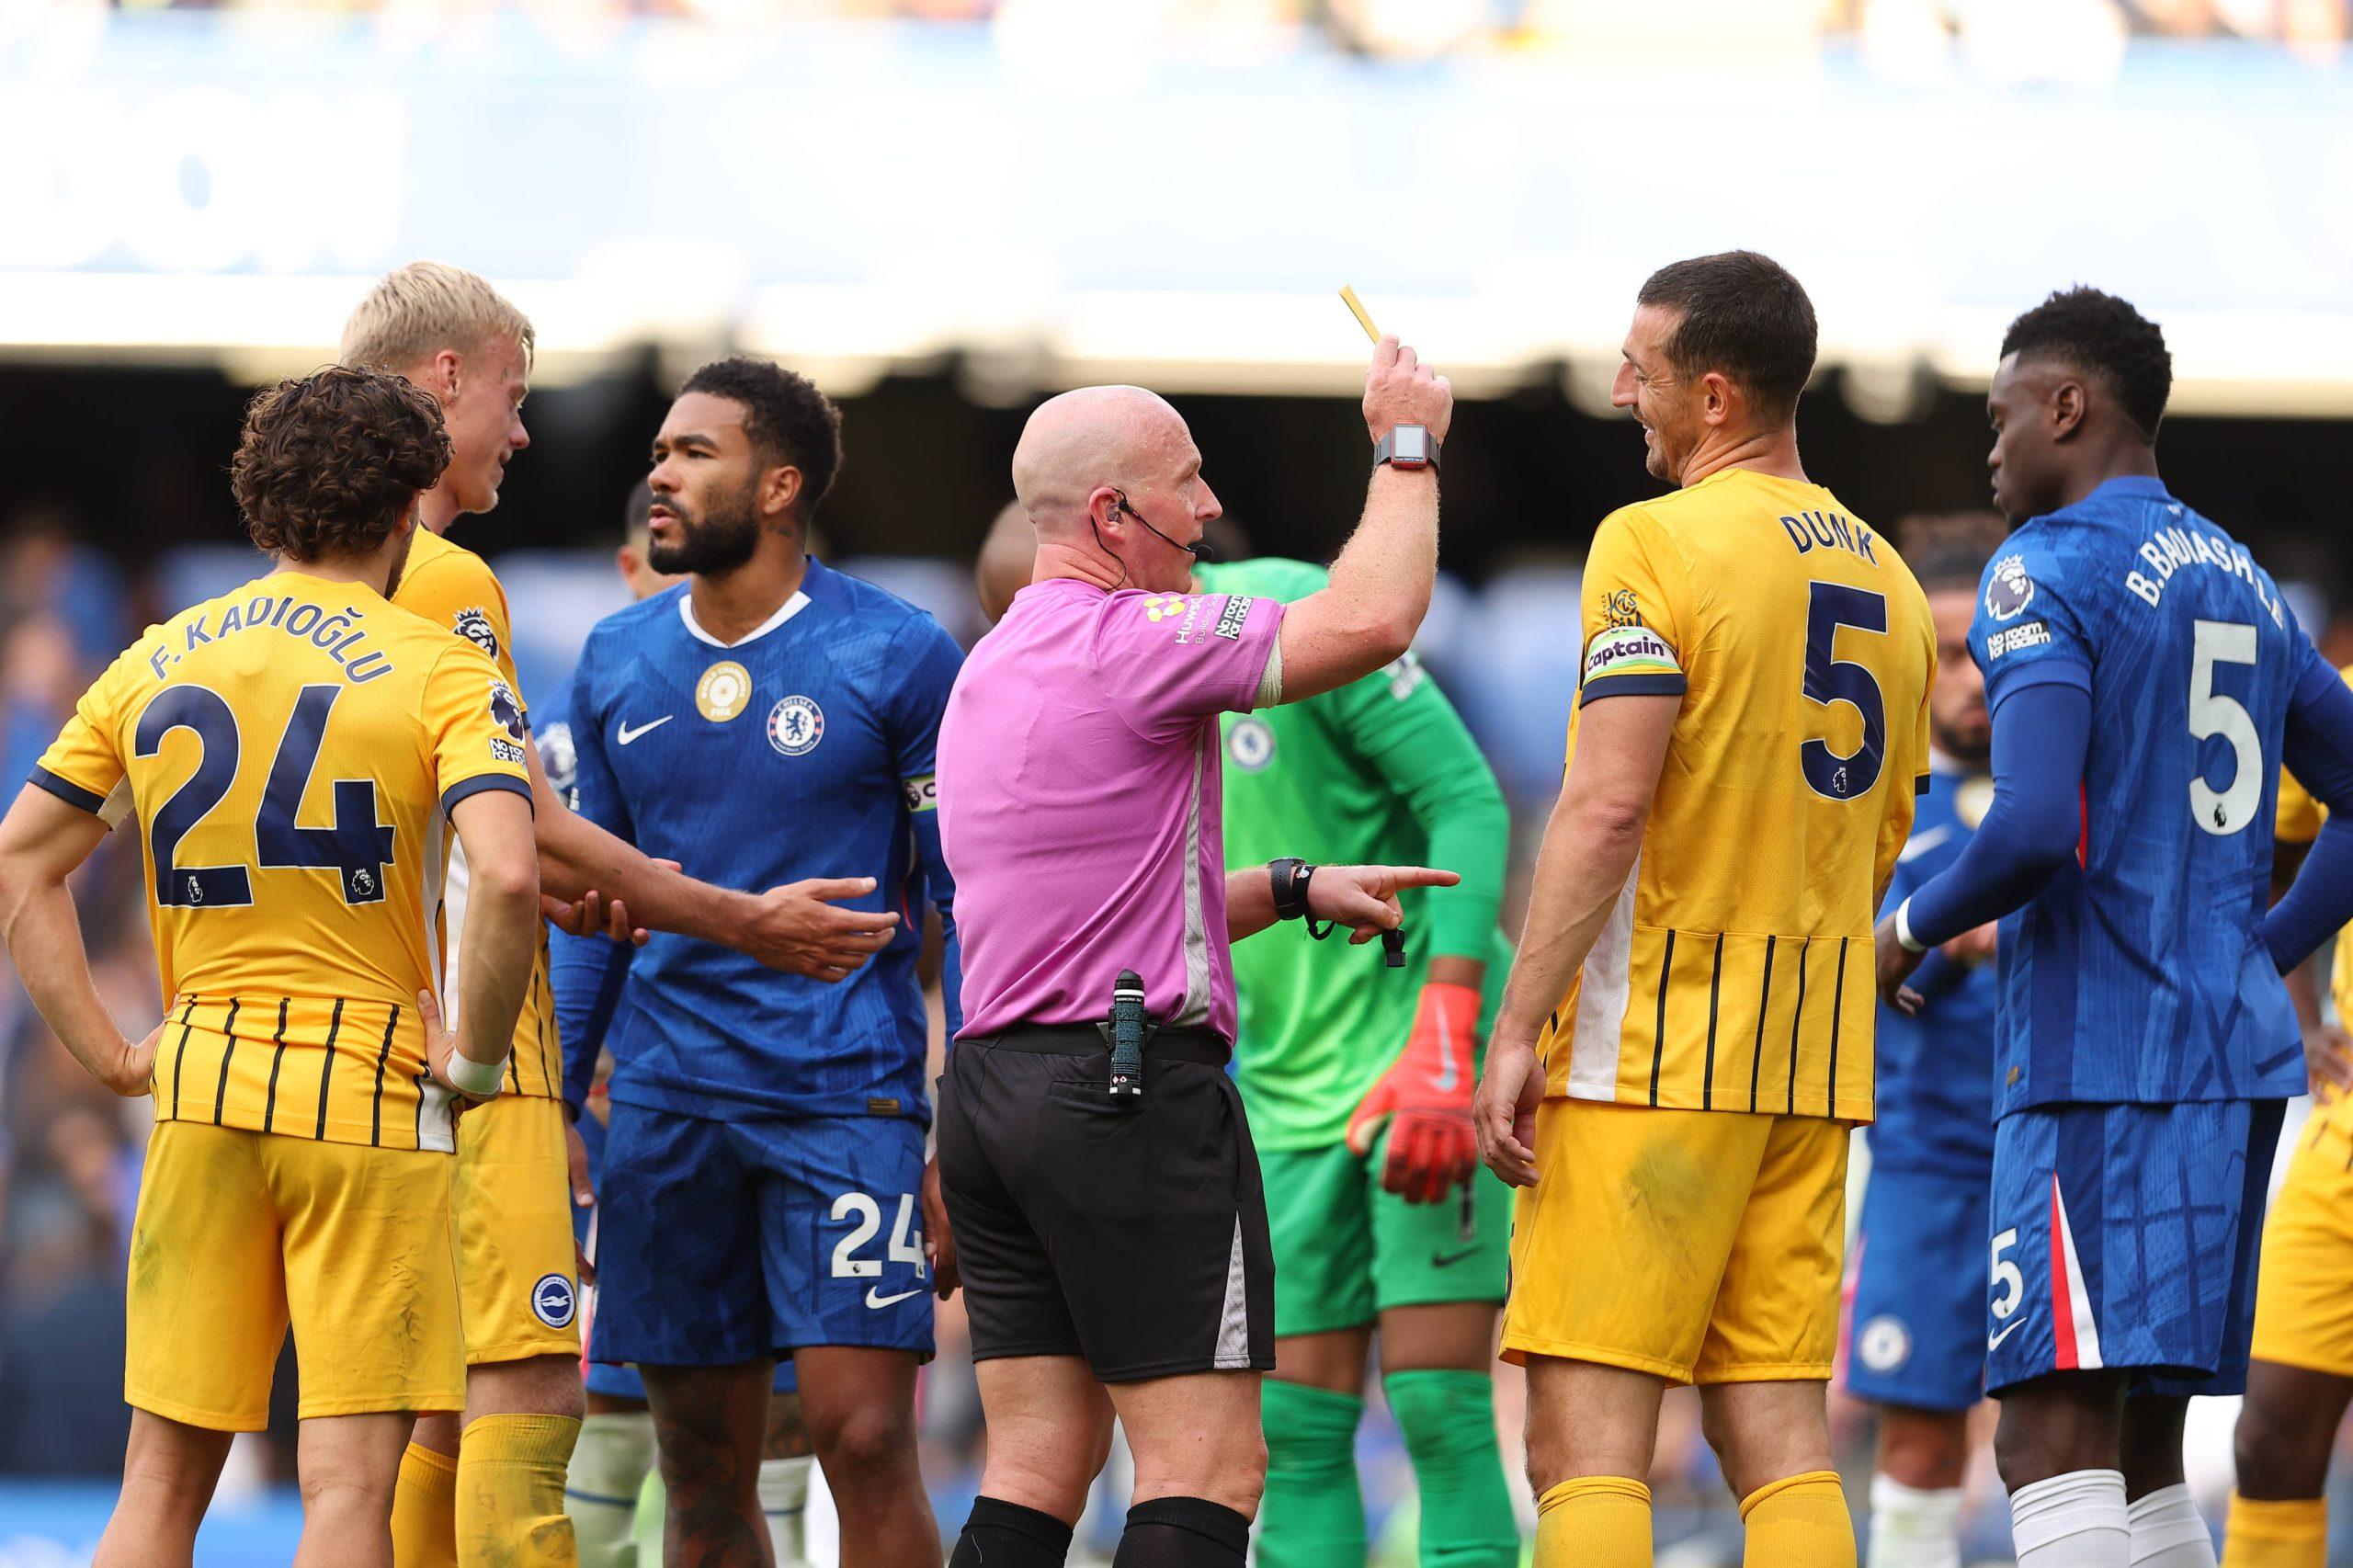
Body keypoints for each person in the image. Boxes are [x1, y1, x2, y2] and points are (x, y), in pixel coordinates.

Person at [341, 264, 904, 1568]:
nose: (524, 430)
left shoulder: (279, 600)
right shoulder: (447, 581)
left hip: (334, 1048)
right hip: (473, 1052)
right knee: (522, 1400)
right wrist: (740, 919)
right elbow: (524, 842)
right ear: (445, 381)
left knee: (379, 1428)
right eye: (512, 394)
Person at [0, 366, 541, 1567]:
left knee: (158, 1484)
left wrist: (112, 1055)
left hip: (199, 1082)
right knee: (346, 1488)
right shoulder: (442, 667)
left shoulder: (155, 658)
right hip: (368, 1090)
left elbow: (21, 862)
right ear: (404, 508)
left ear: (262, 506)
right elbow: (509, 876)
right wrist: (476, 1060)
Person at [934, 335, 1461, 1568]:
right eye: (1188, 481)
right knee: (1208, 1470)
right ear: (1112, 515)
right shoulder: (1135, 636)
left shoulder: (988, 665)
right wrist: (1407, 444)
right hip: (1127, 1095)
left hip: (995, 1097)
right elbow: (1373, 617)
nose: (1212, 507)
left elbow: (1092, 918)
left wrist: (1288, 886)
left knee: (1033, 1468)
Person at [1873, 287, 2353, 1568]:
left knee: (2045, 1442)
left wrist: (1909, 923)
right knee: (2145, 1451)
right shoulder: (2245, 578)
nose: (1990, 448)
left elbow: (2033, 822)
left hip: (2099, 1062)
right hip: (2229, 1062)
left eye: (2001, 417)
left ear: (2067, 406)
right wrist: (2263, 947)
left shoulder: (2045, 564)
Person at [1474, 250, 1937, 1568]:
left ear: (1717, 395)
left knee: (1583, 1443)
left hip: (1652, 1051)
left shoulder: (1653, 542)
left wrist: (1517, 1024)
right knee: (1778, 1437)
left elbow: (1606, 804)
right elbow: (1884, 833)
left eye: (1642, 370)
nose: (1623, 391)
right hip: (1810, 1066)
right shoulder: (1894, 583)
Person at [551, 357, 961, 1567]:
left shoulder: (896, 651)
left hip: (845, 1096)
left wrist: (965, 1125)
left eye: (694, 453)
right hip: (668, 1104)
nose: (661, 474)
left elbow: (962, 896)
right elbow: (601, 909)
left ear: (779, 486)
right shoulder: (615, 657)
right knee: (700, 1471)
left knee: (865, 1437)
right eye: (659, 452)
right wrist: (562, 1100)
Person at [556, 483, 818, 1568]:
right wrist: (559, 1086)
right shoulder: (558, 733)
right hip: (625, 1114)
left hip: (791, 1100)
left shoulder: (821, 696)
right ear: (634, 571)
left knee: (789, 1420)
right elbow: (513, 911)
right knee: (616, 1418)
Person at [1842, 518, 2006, 1568]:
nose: (1972, 678)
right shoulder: (1874, 806)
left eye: (1987, 651)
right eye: (1947, 656)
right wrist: (1944, 934)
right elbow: (1848, 975)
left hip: (2066, 1155)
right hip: (1927, 1167)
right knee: (1917, 1439)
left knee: (2085, 1440)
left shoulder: (2064, 794)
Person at [2223, 731, 2353, 1568]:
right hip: (2344, 1142)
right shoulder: (2345, 697)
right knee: (2269, 1438)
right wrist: (2301, 1018)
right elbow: (2277, 852)